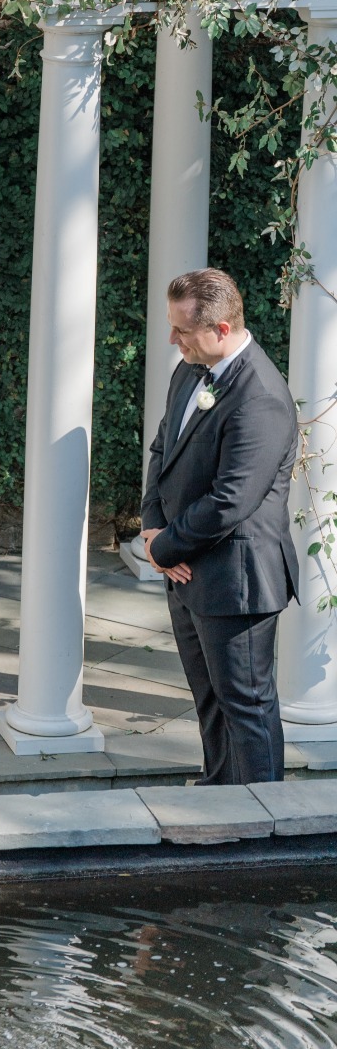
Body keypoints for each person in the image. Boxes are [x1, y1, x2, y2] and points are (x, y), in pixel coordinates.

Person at [141, 267, 299, 785]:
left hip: (237, 581)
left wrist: (166, 546)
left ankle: (263, 827)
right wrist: (151, 525)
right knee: (209, 700)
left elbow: (232, 498)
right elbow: (163, 448)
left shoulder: (262, 397)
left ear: (222, 329)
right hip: (187, 569)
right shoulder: (190, 369)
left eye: (182, 330)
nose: (172, 339)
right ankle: (220, 797)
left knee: (247, 708)